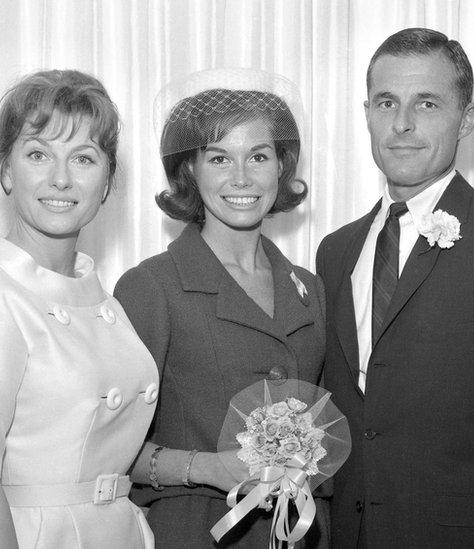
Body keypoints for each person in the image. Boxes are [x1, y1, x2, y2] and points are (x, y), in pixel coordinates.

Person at [316, 28, 474, 548]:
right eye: (386, 102)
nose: (402, 123)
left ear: (467, 120)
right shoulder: (334, 251)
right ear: (366, 112)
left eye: (427, 103)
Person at [0, 69, 156, 548]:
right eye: (39, 154)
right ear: (7, 171)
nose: (61, 178)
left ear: (107, 181)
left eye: (83, 158)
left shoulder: (99, 295)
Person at [114, 68, 328, 548]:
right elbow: (106, 452)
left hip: (298, 533)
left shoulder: (310, 290)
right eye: (219, 158)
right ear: (190, 169)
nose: (241, 177)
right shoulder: (150, 287)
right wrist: (209, 467)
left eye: (258, 156)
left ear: (281, 167)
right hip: (195, 533)